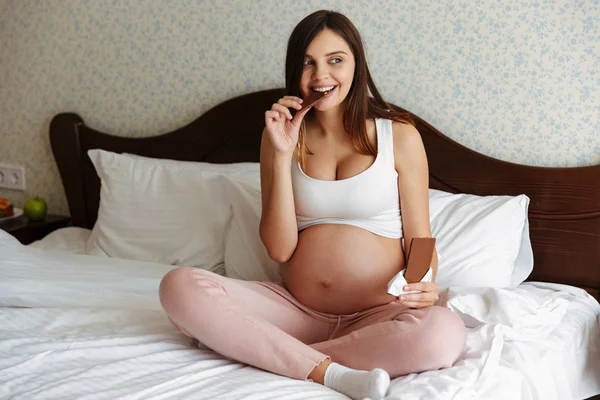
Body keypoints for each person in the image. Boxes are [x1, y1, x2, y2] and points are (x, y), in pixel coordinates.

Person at [159, 10, 466, 400]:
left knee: (443, 334)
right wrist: (278, 153)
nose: (321, 75)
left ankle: (259, 351)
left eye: (335, 60)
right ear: (295, 71)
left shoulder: (399, 135)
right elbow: (279, 248)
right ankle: (329, 372)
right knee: (179, 286)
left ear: (357, 64)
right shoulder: (282, 137)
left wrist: (420, 281)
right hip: (294, 313)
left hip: (379, 314)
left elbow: (420, 236)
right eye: (308, 62)